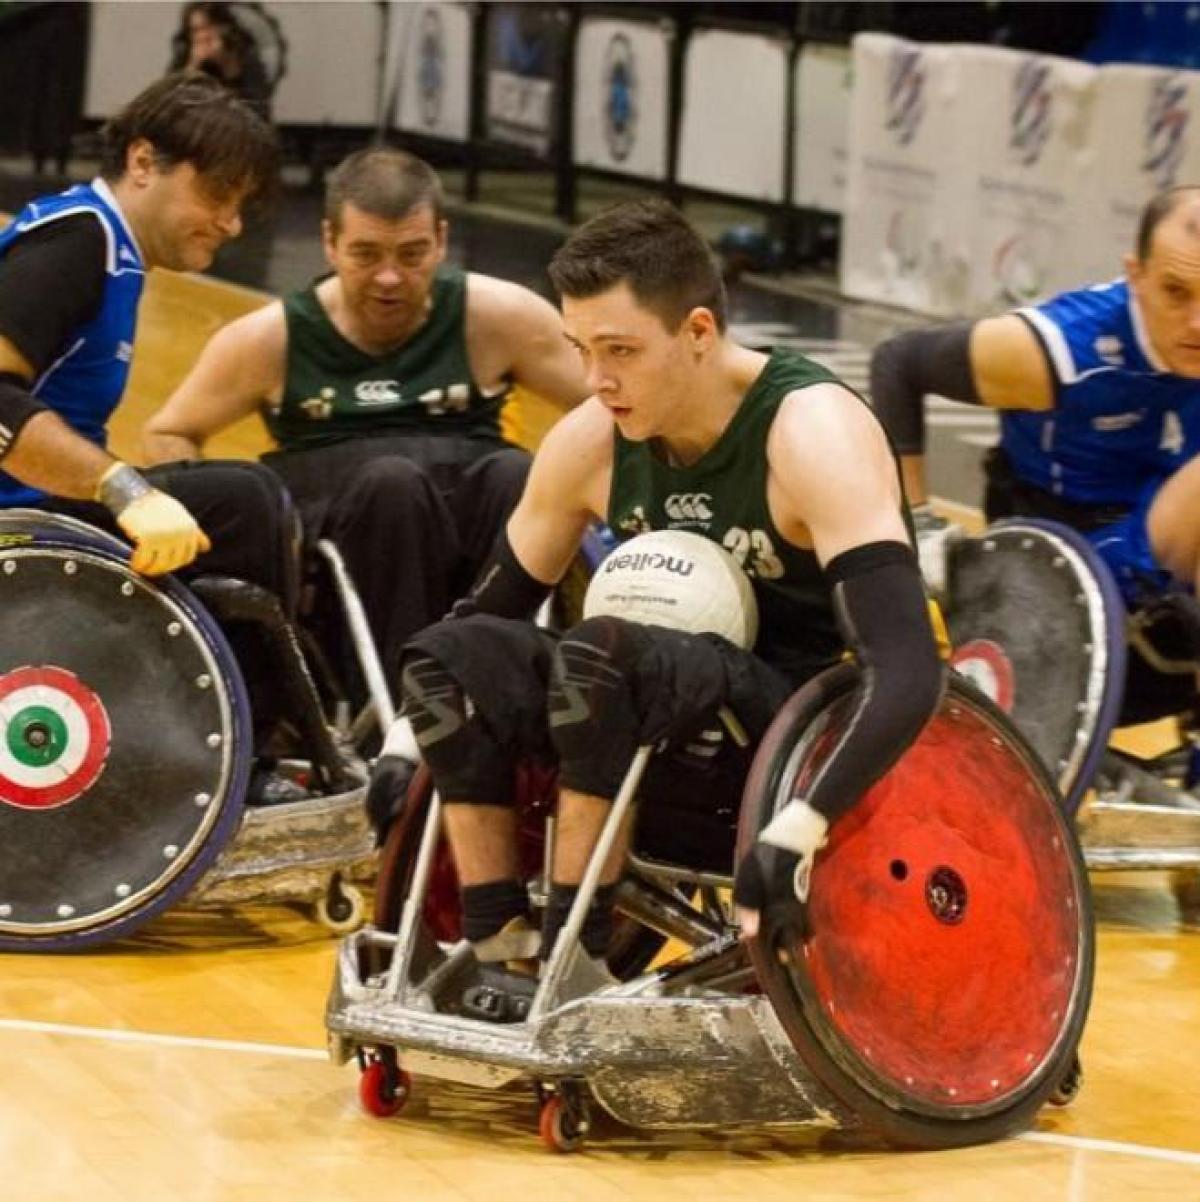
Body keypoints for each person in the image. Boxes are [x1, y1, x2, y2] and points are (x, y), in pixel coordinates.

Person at [386, 198, 944, 1015]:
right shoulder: (590, 439)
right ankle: (498, 938)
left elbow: (910, 668)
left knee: (601, 650)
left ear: (698, 332)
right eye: (581, 351)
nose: (596, 379)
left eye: (620, 351)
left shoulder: (810, 430)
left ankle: (580, 954)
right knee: (447, 655)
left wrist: (799, 825)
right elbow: (489, 614)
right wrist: (404, 745)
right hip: (640, 705)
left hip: (786, 725)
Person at [143, 146, 590, 716]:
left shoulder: (502, 317)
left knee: (521, 475)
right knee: (393, 485)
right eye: (365, 254)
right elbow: (170, 433)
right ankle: (404, 711)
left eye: (412, 254)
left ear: (442, 240)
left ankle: (511, 692)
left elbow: (608, 404)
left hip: (467, 484)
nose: (389, 277)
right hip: (351, 506)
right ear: (329, 242)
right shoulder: (269, 339)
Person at [870, 185, 1200, 717]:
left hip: (1161, 539)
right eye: (1176, 292)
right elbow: (898, 363)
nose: (1197, 323)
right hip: (1058, 555)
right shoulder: (1067, 349)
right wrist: (914, 520)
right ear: (1136, 276)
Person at [0, 71, 292, 598]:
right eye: (218, 194)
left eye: (240, 204)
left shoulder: (106, 246)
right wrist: (126, 491)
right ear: (142, 162)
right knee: (243, 502)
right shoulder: (78, 242)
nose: (232, 224)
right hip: (18, 523)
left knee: (233, 496)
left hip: (38, 508)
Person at [169, 2, 274, 119]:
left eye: (209, 27)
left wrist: (227, 63)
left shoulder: (246, 58)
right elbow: (169, 107)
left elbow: (258, 113)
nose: (203, 35)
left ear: (224, 28)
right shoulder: (183, 57)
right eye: (196, 30)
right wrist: (193, 66)